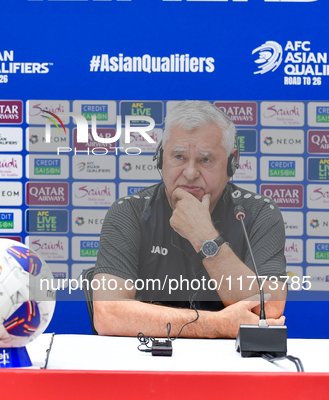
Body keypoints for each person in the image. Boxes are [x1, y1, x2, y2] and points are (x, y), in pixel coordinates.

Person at [93, 101, 287, 338]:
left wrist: (206, 237)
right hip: (148, 361)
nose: (191, 173)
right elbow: (108, 314)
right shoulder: (129, 212)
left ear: (232, 163)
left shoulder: (258, 214)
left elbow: (269, 310)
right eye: (179, 157)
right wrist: (215, 324)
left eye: (206, 160)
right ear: (160, 159)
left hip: (232, 364)